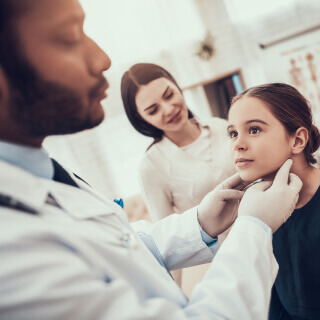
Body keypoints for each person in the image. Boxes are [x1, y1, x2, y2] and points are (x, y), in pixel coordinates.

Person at [0, 1, 302, 319]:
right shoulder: (13, 254)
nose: (102, 60)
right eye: (69, 37)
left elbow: (127, 245)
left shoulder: (43, 170)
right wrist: (254, 227)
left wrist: (201, 222)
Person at [121, 63, 235, 288]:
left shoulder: (221, 127)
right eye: (153, 110)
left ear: (177, 86)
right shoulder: (152, 165)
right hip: (223, 268)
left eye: (169, 95)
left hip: (269, 235)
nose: (168, 109)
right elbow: (166, 241)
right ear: (141, 119)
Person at [228, 83, 320, 320]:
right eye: (233, 133)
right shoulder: (255, 209)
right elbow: (269, 295)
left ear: (297, 140)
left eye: (255, 129)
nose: (238, 144)